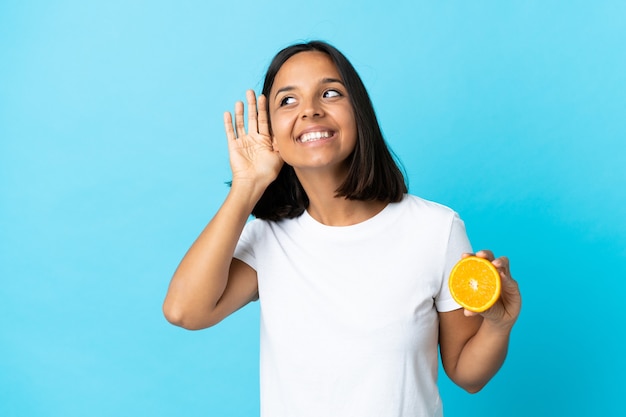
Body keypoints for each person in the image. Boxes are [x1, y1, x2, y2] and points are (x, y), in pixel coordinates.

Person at [163, 40, 522, 417]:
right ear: (270, 131)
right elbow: (184, 311)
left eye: (330, 93)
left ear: (359, 112)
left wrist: (499, 326)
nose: (310, 111)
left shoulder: (435, 229)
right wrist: (248, 186)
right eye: (288, 101)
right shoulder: (268, 240)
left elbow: (468, 374)